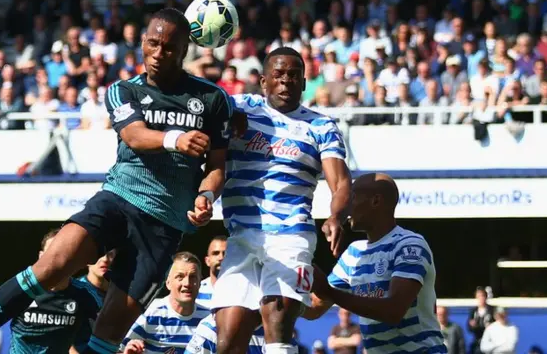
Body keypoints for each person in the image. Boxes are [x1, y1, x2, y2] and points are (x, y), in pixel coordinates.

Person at [0, 8, 240, 354]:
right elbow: (135, 136)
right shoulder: (123, 91)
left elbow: (216, 166)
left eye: (168, 47)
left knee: (109, 331)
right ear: (142, 42)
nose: (157, 53)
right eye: (152, 43)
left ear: (183, 50)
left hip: (164, 226)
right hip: (118, 200)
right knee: (49, 266)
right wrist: (175, 139)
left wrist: (207, 197)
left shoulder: (213, 100)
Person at [211, 46, 353, 354]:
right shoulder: (240, 107)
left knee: (277, 321)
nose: (286, 81)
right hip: (241, 237)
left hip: (290, 235)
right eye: (278, 74)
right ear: (263, 81)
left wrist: (335, 216)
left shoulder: (321, 127)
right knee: (227, 341)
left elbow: (340, 182)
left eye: (293, 75)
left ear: (304, 83)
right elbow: (203, 105)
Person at [307, 173, 447, 354]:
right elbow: (314, 309)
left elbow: (393, 311)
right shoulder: (353, 253)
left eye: (353, 198)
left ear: (375, 201)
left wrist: (330, 292)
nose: (347, 207)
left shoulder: (409, 245)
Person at [9, 229, 103, 353]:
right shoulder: (22, 288)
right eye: (51, 253)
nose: (56, 260)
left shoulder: (84, 294)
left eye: (64, 254)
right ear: (41, 256)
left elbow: (110, 329)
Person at [120, 252, 210, 354]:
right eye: (180, 276)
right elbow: (121, 349)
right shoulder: (151, 313)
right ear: (168, 283)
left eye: (193, 277)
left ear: (200, 283)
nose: (187, 283)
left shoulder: (208, 319)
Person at [73, 250, 117, 353]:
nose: (105, 259)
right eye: (99, 255)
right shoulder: (75, 291)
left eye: (110, 254)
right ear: (87, 260)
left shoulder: (122, 292)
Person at [195, 236, 227, 308]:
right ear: (207, 261)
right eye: (216, 253)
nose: (221, 257)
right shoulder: (195, 291)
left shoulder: (244, 290)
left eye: (225, 253)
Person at [468, 287, 495, 354]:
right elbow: (469, 327)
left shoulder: (492, 310)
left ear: (486, 297)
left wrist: (490, 326)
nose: (481, 299)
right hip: (477, 339)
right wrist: (471, 325)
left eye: (482, 296)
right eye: (478, 297)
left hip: (490, 340)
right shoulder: (474, 311)